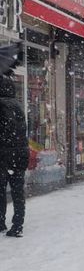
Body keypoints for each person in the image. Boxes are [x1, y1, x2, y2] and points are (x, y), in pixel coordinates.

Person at [0, 78, 28, 237]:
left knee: (1, 191)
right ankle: (18, 225)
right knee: (18, 192)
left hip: (4, 154)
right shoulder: (18, 106)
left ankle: (0, 221)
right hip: (20, 154)